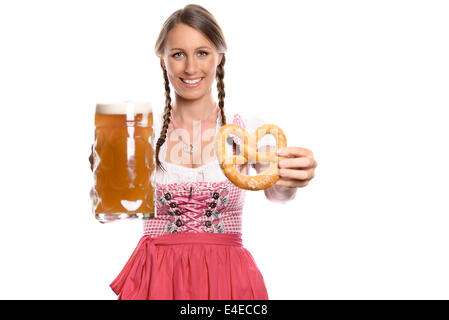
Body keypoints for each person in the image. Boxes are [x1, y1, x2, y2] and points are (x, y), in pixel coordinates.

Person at [90, 4, 317, 300]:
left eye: (202, 52)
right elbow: (113, 213)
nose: (191, 68)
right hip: (156, 279)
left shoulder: (246, 131)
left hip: (228, 279)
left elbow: (277, 194)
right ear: (163, 60)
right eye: (178, 54)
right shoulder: (139, 134)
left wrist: (291, 177)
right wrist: (102, 183)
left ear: (219, 57)